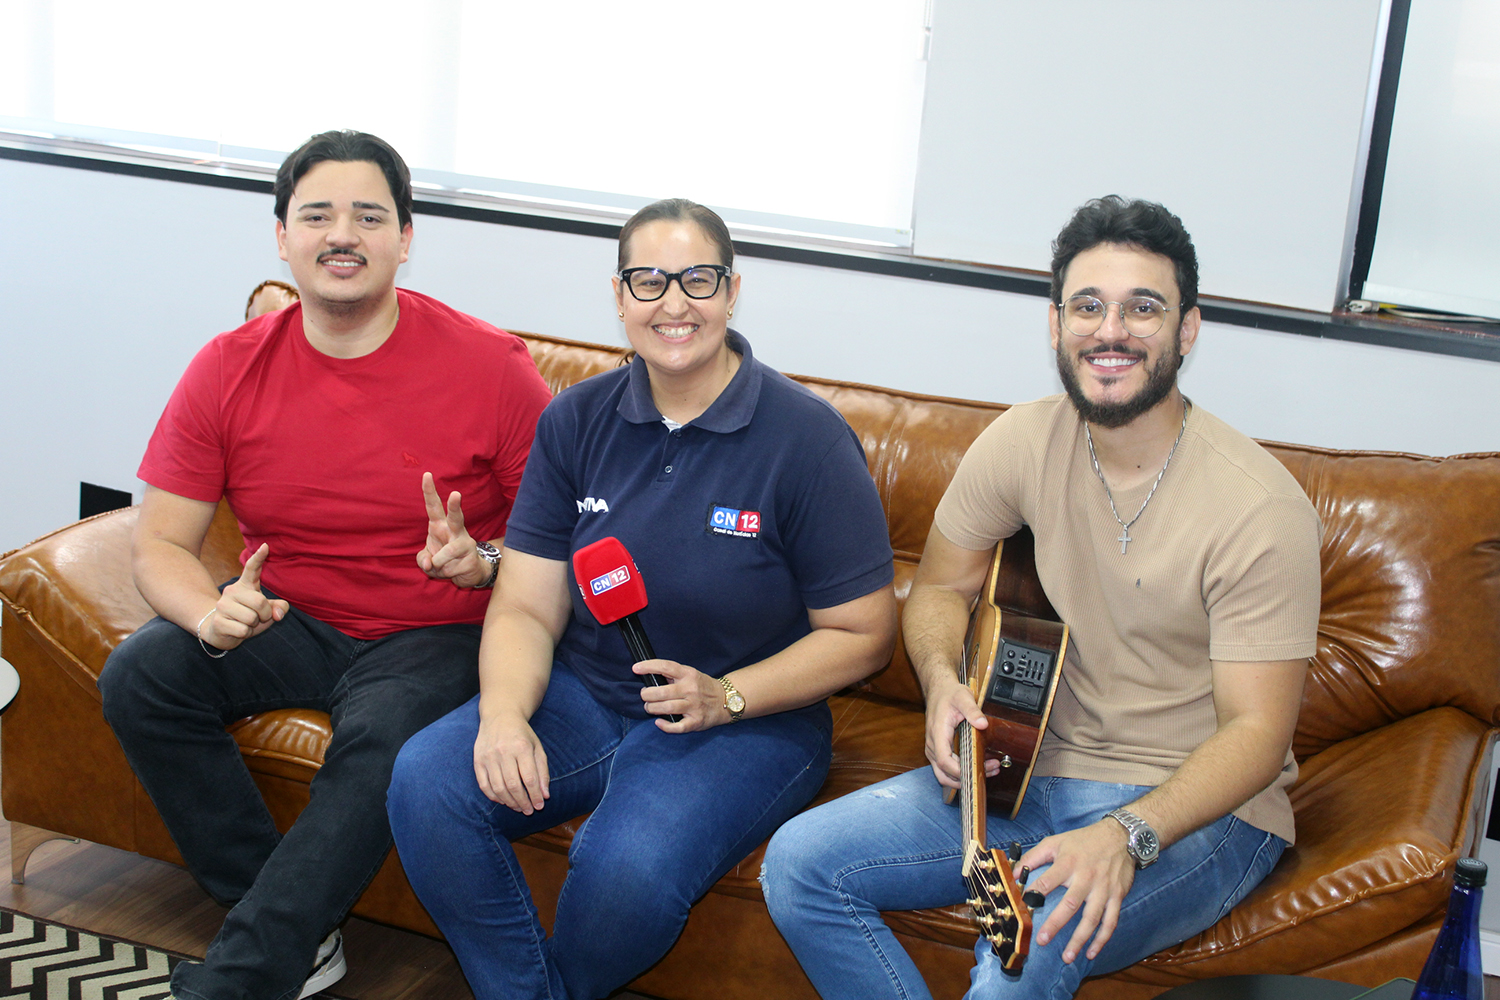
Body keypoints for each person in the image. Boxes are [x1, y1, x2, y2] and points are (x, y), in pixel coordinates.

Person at [762, 196, 1323, 1000]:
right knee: (800, 865)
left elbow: (1258, 734)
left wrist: (1127, 835)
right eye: (1087, 306)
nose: (1110, 331)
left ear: (1188, 330)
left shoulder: (1259, 509)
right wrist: (942, 684)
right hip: (1024, 768)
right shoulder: (1022, 441)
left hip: (1195, 806)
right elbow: (940, 588)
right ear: (1056, 324)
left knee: (1018, 964)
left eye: (1143, 308)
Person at [386, 198, 899, 1000]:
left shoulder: (807, 439)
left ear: (733, 292)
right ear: (619, 297)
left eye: (699, 279)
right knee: (426, 783)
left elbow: (864, 634)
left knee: (625, 867)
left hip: (749, 718)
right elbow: (525, 605)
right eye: (649, 281)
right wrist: (504, 716)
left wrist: (727, 695)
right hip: (586, 692)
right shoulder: (575, 420)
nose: (674, 303)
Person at [96, 130, 553, 1000]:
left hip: (436, 629)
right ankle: (284, 923)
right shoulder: (227, 366)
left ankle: (238, 980)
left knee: (385, 744)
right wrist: (208, 613)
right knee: (142, 676)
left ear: (405, 239)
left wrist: (485, 561)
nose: (342, 235)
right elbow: (159, 543)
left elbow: (557, 542)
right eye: (317, 216)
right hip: (289, 613)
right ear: (282, 237)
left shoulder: (491, 366)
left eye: (369, 217)